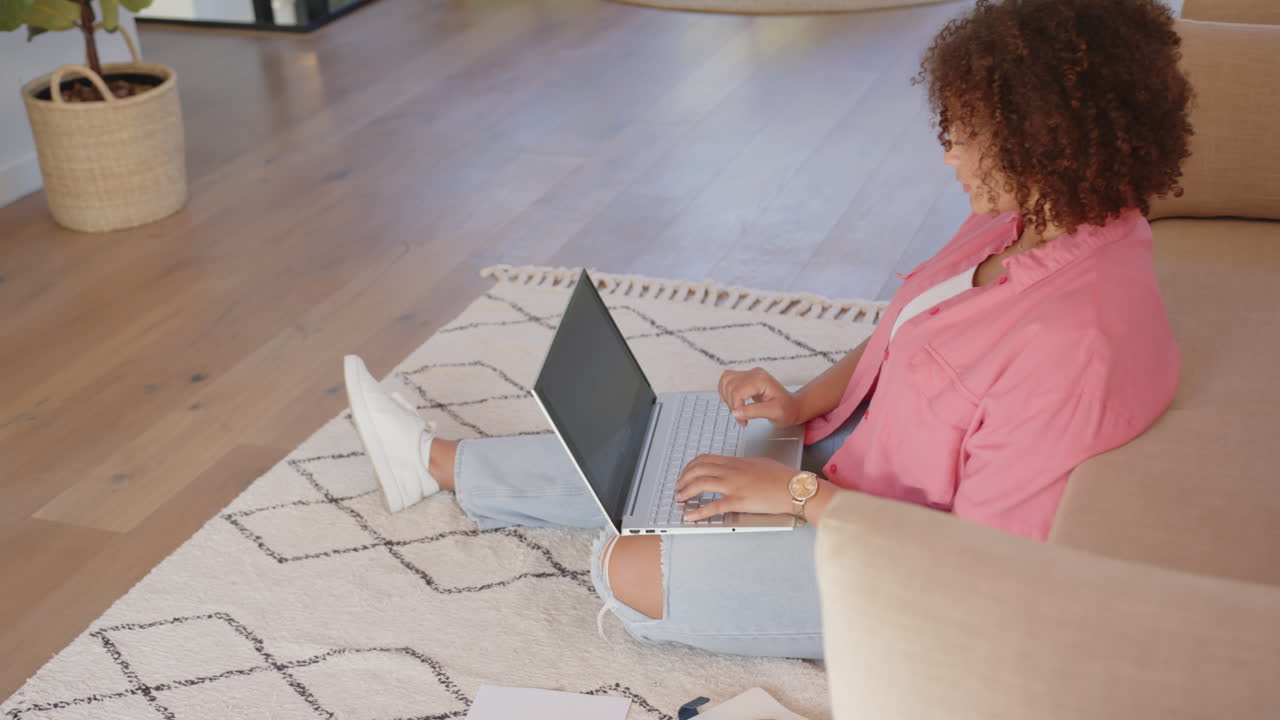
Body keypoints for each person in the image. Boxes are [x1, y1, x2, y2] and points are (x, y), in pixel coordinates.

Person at [343, 0, 1193, 659]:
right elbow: (907, 333)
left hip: (912, 566)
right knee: (666, 446)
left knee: (623, 568)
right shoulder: (1034, 219)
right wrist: (797, 408)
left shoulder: (1073, 344)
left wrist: (795, 497)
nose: (950, 156)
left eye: (970, 137)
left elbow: (978, 561)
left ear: (1047, 142)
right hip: (852, 464)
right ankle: (436, 465)